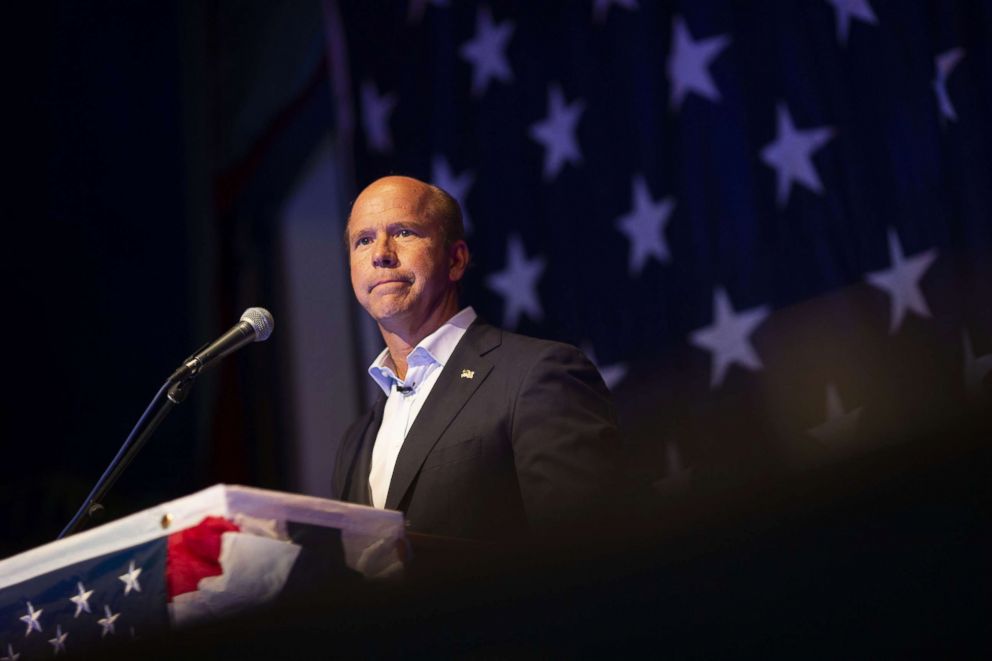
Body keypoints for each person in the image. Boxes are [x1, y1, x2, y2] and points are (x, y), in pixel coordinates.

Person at [331, 175, 620, 541]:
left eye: (404, 232)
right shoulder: (355, 442)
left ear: (455, 260)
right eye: (364, 240)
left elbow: (586, 550)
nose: (381, 253)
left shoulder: (537, 375)